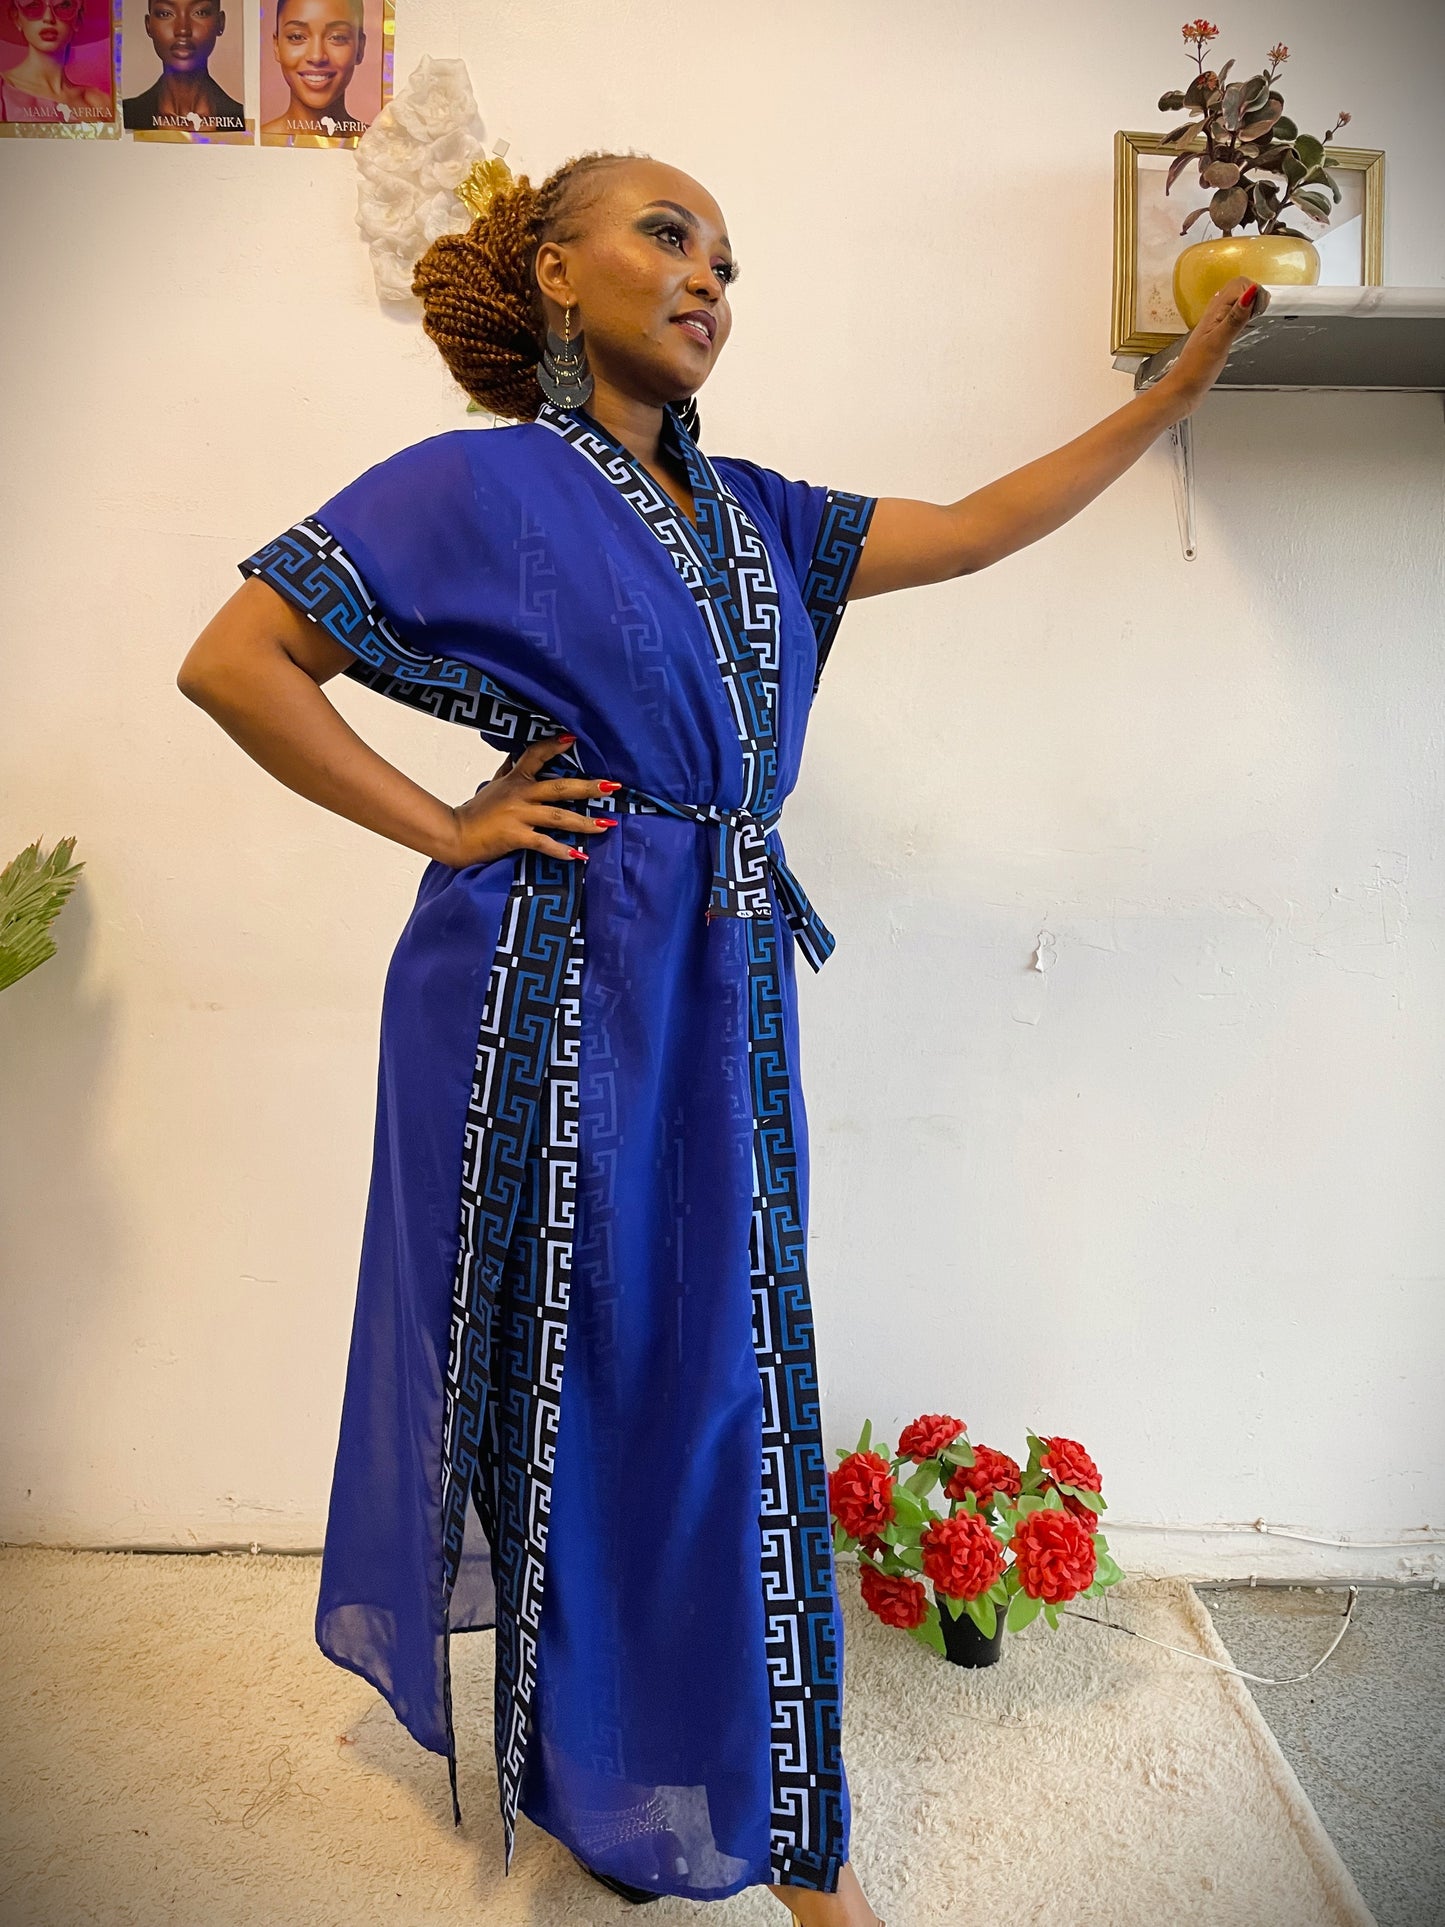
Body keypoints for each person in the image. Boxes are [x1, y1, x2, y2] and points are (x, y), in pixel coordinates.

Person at [177, 152, 1264, 1925]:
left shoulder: (763, 517)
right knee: (593, 1369)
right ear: (554, 270)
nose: (708, 279)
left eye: (731, 263)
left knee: (711, 1366)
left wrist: (1176, 394)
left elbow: (979, 521)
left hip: (715, 965)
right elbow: (238, 657)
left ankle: (685, 1777)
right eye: (667, 236)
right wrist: (446, 823)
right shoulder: (478, 482)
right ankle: (667, 1794)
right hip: (546, 970)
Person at [122, 0, 244, 134]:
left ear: (220, 22)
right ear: (148, 25)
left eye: (200, 13)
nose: (183, 30)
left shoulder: (242, 119)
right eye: (165, 13)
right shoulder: (126, 116)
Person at [259, 0, 364, 140]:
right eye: (297, 36)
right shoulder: (252, 142)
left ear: (360, 48)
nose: (316, 56)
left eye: (337, 37)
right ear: (276, 46)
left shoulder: (382, 145)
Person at [0, 0, 110, 124]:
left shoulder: (99, 102)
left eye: (63, 5)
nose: (48, 18)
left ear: (77, 20)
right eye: (33, 5)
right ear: (16, 18)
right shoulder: (3, 92)